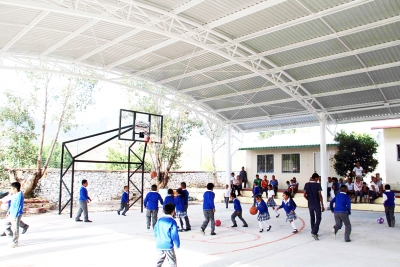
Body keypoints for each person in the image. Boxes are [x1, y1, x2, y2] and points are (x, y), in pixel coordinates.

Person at [154, 203, 180, 267]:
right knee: (172, 262)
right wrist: (177, 244)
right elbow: (174, 234)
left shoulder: (159, 220)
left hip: (159, 244)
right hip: (168, 245)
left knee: (159, 261)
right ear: (173, 211)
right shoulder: (172, 221)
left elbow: (155, 231)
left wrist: (158, 239)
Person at [303, 173, 325, 240]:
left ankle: (313, 231)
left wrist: (309, 199)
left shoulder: (306, 184)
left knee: (312, 218)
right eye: (318, 178)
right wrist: (322, 205)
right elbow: (320, 196)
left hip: (310, 204)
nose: (318, 179)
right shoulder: (318, 185)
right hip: (317, 204)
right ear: (316, 178)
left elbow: (304, 195)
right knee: (318, 218)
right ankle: (314, 232)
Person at [3, 182, 24, 248]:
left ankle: (15, 242)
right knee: (6, 225)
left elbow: (18, 207)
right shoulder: (13, 194)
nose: (11, 190)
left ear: (15, 189)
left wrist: (15, 216)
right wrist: (8, 212)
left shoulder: (19, 196)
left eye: (11, 188)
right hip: (11, 213)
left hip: (16, 214)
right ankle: (11, 238)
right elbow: (11, 204)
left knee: (15, 229)